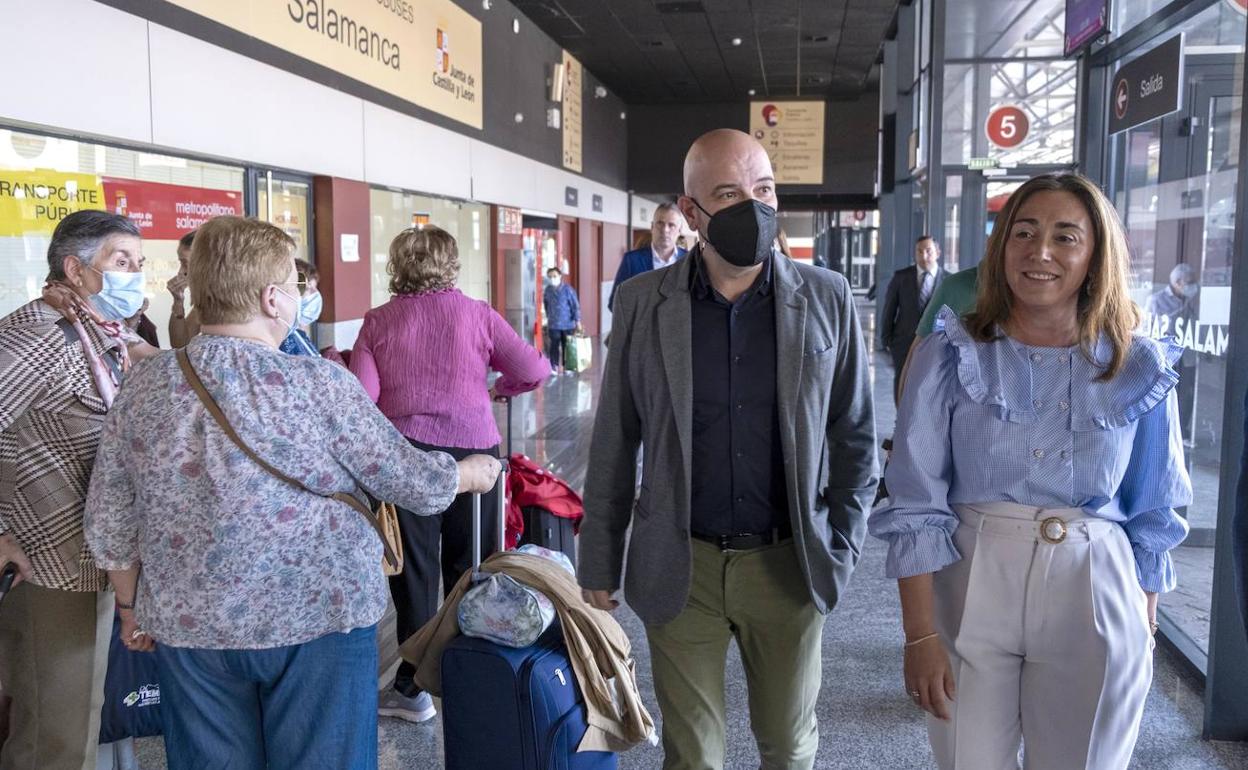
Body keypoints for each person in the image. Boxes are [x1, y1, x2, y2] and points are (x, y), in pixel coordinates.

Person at [82, 216, 502, 768]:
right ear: (272, 297)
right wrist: (470, 473)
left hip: (191, 625)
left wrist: (133, 608)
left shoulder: (145, 384)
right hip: (318, 620)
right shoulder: (318, 383)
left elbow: (109, 520)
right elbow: (412, 482)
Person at [870, 173, 1191, 770]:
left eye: (1065, 236)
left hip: (1096, 583)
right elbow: (914, 501)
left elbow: (1154, 509)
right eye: (1023, 232)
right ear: (1001, 247)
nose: (1039, 251)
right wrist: (919, 636)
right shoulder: (949, 354)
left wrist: (1142, 630)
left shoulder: (1137, 362)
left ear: (1096, 255)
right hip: (971, 578)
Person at [578, 129, 877, 769]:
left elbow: (854, 434)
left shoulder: (826, 297)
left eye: (764, 189)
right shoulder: (641, 303)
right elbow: (614, 438)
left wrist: (844, 543)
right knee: (693, 757)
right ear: (691, 213)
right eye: (729, 194)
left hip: (787, 562)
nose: (755, 206)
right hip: (679, 565)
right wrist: (598, 560)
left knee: (790, 747)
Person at [350, 225, 550, 724]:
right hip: (477, 454)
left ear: (397, 265)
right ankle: (473, 675)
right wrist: (498, 387)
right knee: (474, 566)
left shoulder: (378, 321)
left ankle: (412, 688)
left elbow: (361, 397)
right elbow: (534, 369)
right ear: (452, 265)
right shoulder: (478, 314)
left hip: (408, 458)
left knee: (414, 573)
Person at [0, 210, 146, 770]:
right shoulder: (39, 336)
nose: (135, 274)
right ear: (75, 268)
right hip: (47, 566)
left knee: (77, 723)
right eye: (121, 261)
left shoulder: (95, 329)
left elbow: (158, 365)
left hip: (89, 558)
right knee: (54, 738)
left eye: (139, 262)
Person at [881, 236, 947, 403]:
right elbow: (889, 309)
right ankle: (901, 422)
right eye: (919, 251)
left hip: (938, 346)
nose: (924, 256)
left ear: (938, 253)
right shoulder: (901, 277)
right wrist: (887, 340)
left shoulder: (949, 281)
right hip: (903, 343)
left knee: (933, 386)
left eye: (928, 251)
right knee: (902, 383)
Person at [1145, 263, 1199, 443]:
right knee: (1167, 394)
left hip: (1187, 354)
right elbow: (1151, 328)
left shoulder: (1190, 300)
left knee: (1188, 392)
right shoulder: (1156, 300)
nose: (1194, 286)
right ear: (1177, 282)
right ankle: (1164, 430)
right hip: (1168, 355)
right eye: (1190, 282)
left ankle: (1183, 430)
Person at [608, 203, 688, 311]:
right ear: (652, 227)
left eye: (671, 225)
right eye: (660, 223)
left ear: (679, 230)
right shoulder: (631, 260)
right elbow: (615, 303)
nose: (665, 230)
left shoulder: (689, 261)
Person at [278, 258, 322, 357]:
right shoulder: (281, 341)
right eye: (307, 289)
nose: (316, 294)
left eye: (315, 288)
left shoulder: (299, 335)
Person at [543, 267, 581, 376]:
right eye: (550, 277)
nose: (552, 279)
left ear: (560, 276)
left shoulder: (568, 290)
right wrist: (548, 316)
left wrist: (577, 321)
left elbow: (575, 306)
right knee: (554, 345)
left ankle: (568, 366)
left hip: (568, 323)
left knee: (567, 345)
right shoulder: (548, 290)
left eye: (554, 276)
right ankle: (553, 366)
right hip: (554, 324)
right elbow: (546, 304)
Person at [167, 230, 200, 347]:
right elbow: (180, 344)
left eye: (185, 264)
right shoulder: (205, 302)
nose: (181, 272)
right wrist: (178, 302)